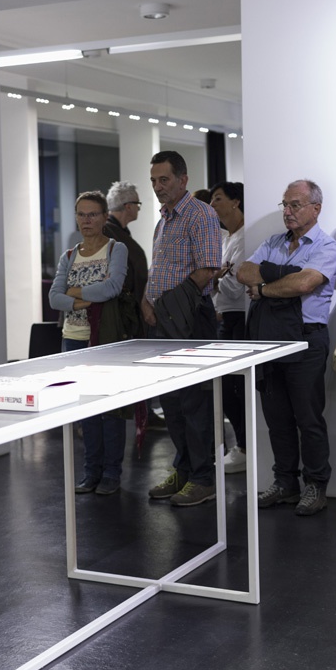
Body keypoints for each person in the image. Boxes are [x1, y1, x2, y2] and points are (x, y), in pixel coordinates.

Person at [238, 179, 336, 517]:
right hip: (269, 340)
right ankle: (285, 482)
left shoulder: (327, 246)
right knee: (276, 418)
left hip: (307, 340)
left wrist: (264, 289)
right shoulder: (273, 242)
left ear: (316, 208)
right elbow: (244, 271)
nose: (287, 211)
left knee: (308, 418)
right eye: (285, 204)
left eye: (295, 204)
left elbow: (305, 282)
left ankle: (316, 485)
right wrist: (284, 275)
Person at [142, 150, 223, 507]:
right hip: (162, 322)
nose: (158, 186)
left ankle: (203, 478)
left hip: (190, 320)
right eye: (154, 180)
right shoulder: (163, 219)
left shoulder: (200, 214)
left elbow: (208, 268)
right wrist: (147, 301)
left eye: (164, 179)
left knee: (194, 402)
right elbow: (158, 269)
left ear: (183, 179)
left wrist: (169, 306)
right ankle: (184, 470)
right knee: (171, 402)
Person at [50, 191, 129, 495]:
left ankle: (111, 473)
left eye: (93, 214)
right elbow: (54, 298)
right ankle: (91, 471)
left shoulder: (115, 249)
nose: (87, 220)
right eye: (81, 214)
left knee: (110, 409)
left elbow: (113, 287)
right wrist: (82, 301)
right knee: (85, 411)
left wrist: (74, 293)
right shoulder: (69, 255)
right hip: (73, 339)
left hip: (105, 339)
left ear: (105, 217)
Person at [209, 181, 248, 473]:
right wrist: (218, 277)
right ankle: (243, 445)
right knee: (226, 388)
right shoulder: (226, 238)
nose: (212, 205)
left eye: (218, 198)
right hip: (225, 317)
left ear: (236, 202)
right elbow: (222, 281)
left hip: (239, 319)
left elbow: (235, 288)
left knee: (236, 388)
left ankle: (246, 447)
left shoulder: (245, 238)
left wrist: (214, 279)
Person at [103, 181, 148, 332]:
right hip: (117, 315)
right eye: (138, 204)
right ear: (128, 206)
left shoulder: (117, 232)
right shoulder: (107, 233)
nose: (139, 209)